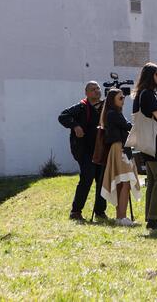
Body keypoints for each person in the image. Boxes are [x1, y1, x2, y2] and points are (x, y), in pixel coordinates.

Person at [58, 81, 107, 221]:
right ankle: (76, 212)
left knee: (102, 179)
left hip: (100, 150)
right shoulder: (81, 107)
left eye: (98, 88)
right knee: (87, 177)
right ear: (86, 93)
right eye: (93, 89)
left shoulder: (104, 107)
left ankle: (100, 211)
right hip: (84, 151)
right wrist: (75, 126)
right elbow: (63, 116)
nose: (97, 91)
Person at [132, 62, 157, 230]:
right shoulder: (148, 94)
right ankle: (154, 219)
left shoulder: (140, 94)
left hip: (147, 144)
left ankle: (151, 217)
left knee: (153, 182)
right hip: (156, 144)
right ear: (152, 76)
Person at [100, 88, 141, 226]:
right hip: (120, 149)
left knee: (121, 182)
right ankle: (122, 217)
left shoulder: (113, 113)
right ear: (113, 100)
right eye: (120, 98)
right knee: (125, 183)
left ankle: (120, 217)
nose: (123, 100)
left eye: (123, 97)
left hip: (119, 149)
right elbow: (128, 126)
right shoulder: (113, 114)